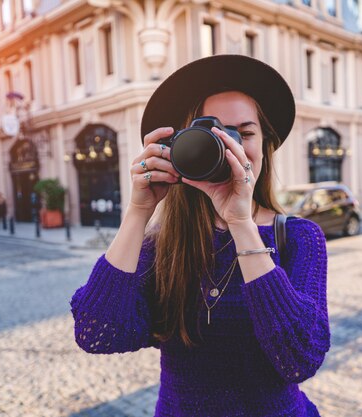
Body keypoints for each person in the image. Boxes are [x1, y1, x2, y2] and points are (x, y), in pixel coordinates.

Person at [70, 55, 330, 416]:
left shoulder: (300, 238)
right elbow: (97, 331)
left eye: (244, 133)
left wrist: (241, 223)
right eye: (213, 133)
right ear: (184, 146)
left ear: (264, 146)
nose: (228, 146)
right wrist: (138, 212)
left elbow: (300, 357)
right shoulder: (162, 244)